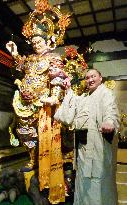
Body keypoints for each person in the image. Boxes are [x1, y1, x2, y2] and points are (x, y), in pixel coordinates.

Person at [6, 0, 71, 204]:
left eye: (39, 42)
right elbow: (21, 65)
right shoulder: (31, 59)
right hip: (24, 104)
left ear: (48, 41)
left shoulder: (53, 58)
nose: (36, 45)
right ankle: (32, 159)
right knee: (25, 133)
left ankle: (42, 170)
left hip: (42, 106)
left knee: (41, 135)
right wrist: (15, 53)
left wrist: (54, 97)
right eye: (33, 42)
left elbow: (58, 78)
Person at [54, 68, 120, 205]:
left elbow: (111, 111)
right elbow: (68, 113)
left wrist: (109, 122)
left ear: (100, 78)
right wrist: (68, 90)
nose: (90, 80)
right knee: (83, 181)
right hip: (83, 148)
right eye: (87, 78)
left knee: (98, 182)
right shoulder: (85, 97)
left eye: (93, 76)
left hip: (98, 148)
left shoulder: (106, 94)